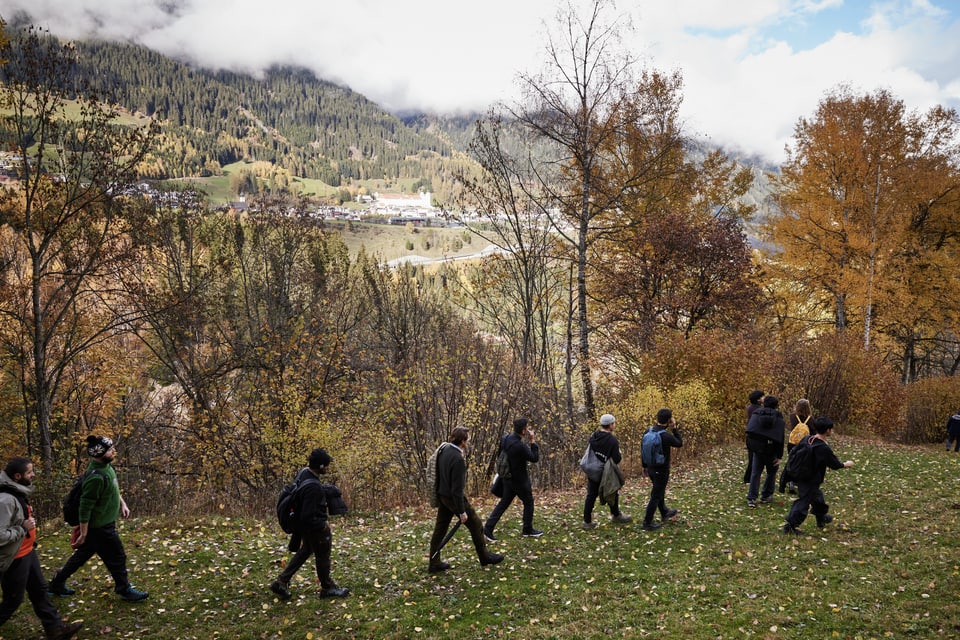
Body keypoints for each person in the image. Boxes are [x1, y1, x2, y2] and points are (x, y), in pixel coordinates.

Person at [47, 436, 148, 602]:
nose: (114, 451)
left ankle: (56, 584)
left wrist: (122, 504)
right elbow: (85, 507)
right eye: (110, 449)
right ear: (100, 453)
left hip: (102, 525)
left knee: (82, 556)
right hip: (99, 527)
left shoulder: (107, 467)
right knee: (117, 556)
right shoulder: (96, 477)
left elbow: (113, 489)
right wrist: (84, 533)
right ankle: (124, 590)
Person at [1, 457, 83, 640]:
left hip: (27, 552)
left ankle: (56, 630)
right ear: (17, 476)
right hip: (15, 558)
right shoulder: (5, 500)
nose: (33, 475)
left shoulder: (16, 491)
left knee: (40, 591)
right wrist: (23, 528)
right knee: (13, 600)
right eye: (29, 472)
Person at [270, 448, 349, 600]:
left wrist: (325, 490)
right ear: (320, 466)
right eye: (326, 465)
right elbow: (308, 514)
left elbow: (304, 494)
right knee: (323, 554)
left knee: (306, 550)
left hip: (302, 525)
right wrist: (322, 527)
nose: (327, 468)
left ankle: (281, 581)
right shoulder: (313, 488)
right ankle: (327, 587)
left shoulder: (304, 472)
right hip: (313, 527)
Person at [428, 427, 504, 573]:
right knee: (475, 524)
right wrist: (462, 511)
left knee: (440, 529)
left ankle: (434, 562)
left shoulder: (444, 449)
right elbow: (457, 490)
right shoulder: (458, 459)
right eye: (467, 439)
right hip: (453, 498)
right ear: (463, 441)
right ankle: (485, 557)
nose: (469, 441)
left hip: (442, 495)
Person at [783, 416, 854, 534]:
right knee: (803, 502)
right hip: (810, 478)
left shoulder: (807, 439)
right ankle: (790, 526)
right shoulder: (822, 447)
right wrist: (846, 464)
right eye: (831, 429)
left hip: (801, 475)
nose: (831, 431)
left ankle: (821, 518)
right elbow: (834, 464)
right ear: (827, 430)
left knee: (818, 499)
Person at [483, 418, 542, 541]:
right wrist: (532, 442)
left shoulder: (506, 438)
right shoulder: (519, 446)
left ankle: (488, 529)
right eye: (527, 427)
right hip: (519, 480)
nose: (528, 429)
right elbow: (534, 458)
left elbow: (500, 454)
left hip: (507, 478)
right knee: (529, 501)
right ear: (523, 430)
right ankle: (527, 529)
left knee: (504, 503)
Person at [582, 414, 631, 529]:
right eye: (613, 423)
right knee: (613, 491)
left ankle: (587, 521)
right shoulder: (612, 440)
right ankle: (616, 515)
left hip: (591, 470)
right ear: (610, 425)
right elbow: (616, 459)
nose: (614, 425)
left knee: (591, 495)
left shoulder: (594, 435)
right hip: (604, 471)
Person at [640, 409, 683, 531]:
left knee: (659, 491)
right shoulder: (665, 436)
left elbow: (642, 449)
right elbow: (679, 443)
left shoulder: (648, 431)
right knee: (656, 494)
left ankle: (664, 512)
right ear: (669, 420)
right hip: (662, 469)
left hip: (651, 468)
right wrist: (674, 428)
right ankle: (647, 522)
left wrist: (644, 466)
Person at [745, 395, 785, 508]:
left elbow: (750, 431)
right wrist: (779, 455)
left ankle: (752, 498)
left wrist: (752, 447)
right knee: (771, 472)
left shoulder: (756, 414)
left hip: (757, 448)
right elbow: (780, 437)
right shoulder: (779, 417)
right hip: (771, 449)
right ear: (776, 405)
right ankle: (766, 495)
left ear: (763, 404)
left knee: (755, 472)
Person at [779, 398, 812, 494]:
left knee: (792, 461)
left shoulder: (793, 416)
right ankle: (799, 481)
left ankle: (790, 481)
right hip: (804, 444)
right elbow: (813, 432)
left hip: (792, 443)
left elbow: (791, 428)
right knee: (802, 463)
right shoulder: (811, 419)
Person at [743, 390, 764, 484]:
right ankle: (748, 478)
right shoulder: (759, 409)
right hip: (756, 436)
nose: (764, 398)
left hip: (749, 436)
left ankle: (749, 477)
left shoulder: (749, 408)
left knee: (751, 456)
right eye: (762, 397)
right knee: (754, 458)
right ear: (758, 399)